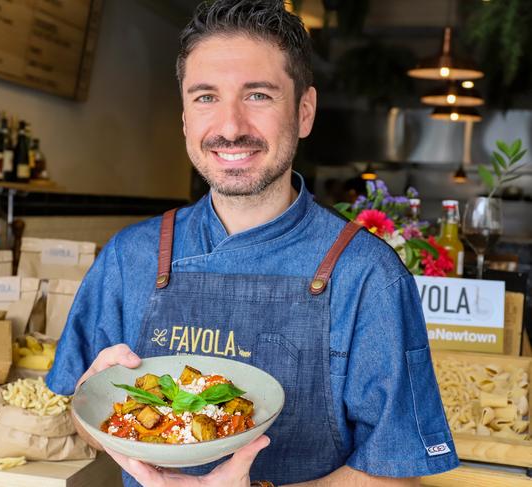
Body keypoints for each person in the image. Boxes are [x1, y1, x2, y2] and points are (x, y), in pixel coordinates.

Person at [47, 1, 459, 486]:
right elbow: (82, 420)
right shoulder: (128, 256)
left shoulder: (368, 275)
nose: (230, 126)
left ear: (304, 112)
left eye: (258, 95)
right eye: (205, 97)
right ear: (184, 118)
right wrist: (93, 401)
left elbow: (395, 472)